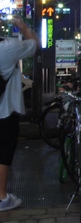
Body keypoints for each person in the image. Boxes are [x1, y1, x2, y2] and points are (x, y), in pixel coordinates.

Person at [0, 16, 39, 212]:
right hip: (5, 111)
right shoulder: (8, 47)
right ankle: (1, 198)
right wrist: (22, 25)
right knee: (3, 154)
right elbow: (34, 44)